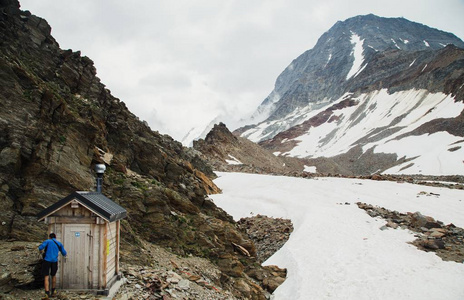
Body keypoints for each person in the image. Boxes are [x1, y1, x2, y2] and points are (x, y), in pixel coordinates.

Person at [38, 233, 67, 298]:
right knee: (53, 275)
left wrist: (41, 250)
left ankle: (47, 293)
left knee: (46, 276)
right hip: (54, 261)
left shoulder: (48, 241)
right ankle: (53, 291)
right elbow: (64, 253)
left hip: (47, 261)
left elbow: (40, 248)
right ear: (55, 237)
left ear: (50, 237)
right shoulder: (59, 243)